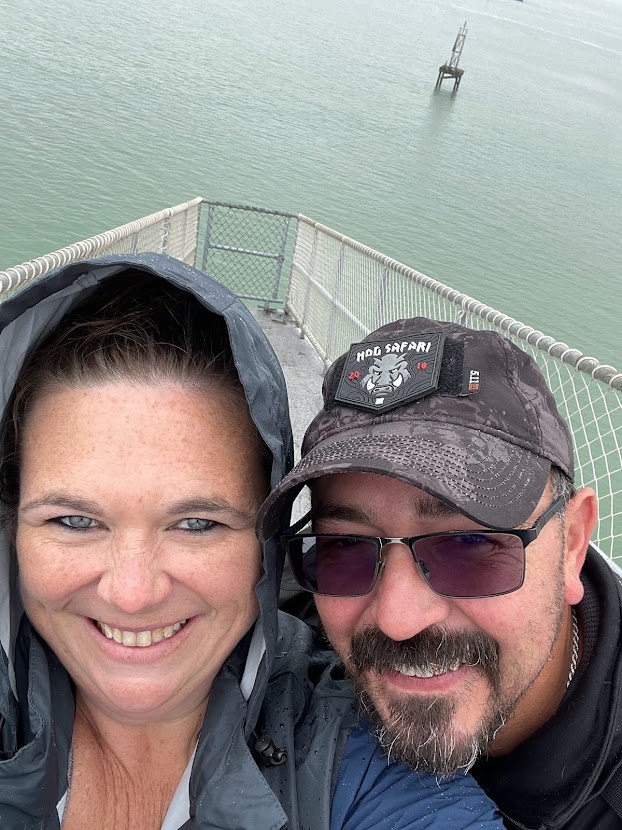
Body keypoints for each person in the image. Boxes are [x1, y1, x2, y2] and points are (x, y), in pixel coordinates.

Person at [0, 258, 503, 830]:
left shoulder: (364, 772)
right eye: (73, 521)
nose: (132, 594)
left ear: (266, 547)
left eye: (196, 524)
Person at [257, 315, 622, 829]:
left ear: (572, 544)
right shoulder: (280, 623)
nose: (398, 619)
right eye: (345, 545)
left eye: (468, 545)